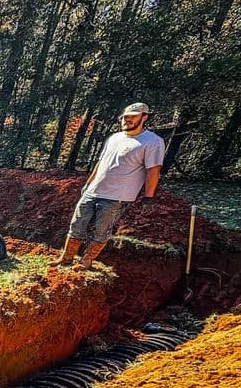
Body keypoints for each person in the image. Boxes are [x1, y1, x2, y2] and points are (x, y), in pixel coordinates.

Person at [51, 102, 166, 270]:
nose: (128, 120)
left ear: (144, 117)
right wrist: (88, 183)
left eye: (133, 117)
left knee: (101, 230)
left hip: (116, 197)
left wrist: (149, 196)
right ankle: (66, 258)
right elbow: (101, 162)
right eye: (125, 117)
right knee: (76, 226)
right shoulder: (115, 138)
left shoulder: (152, 142)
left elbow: (153, 170)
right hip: (93, 191)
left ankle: (86, 261)